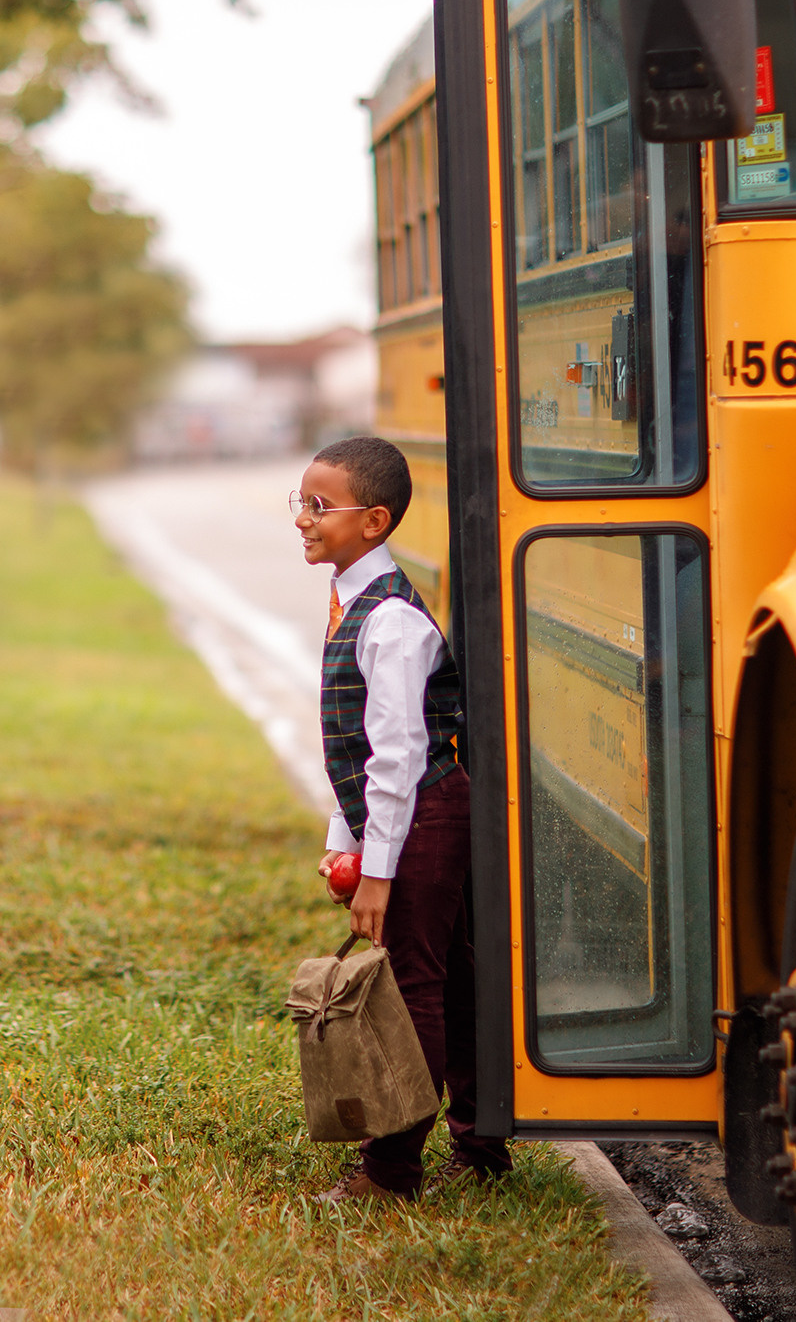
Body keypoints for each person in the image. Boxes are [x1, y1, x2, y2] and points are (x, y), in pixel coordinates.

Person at [294, 435, 513, 1201]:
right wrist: (343, 843)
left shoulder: (390, 621)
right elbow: (354, 749)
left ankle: (391, 1170)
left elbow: (398, 757)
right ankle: (482, 1146)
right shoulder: (354, 603)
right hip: (408, 815)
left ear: (374, 520)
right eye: (300, 502)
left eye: (319, 505)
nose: (302, 518)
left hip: (425, 812)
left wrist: (378, 873)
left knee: (413, 984)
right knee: (450, 978)